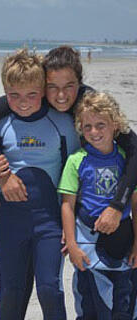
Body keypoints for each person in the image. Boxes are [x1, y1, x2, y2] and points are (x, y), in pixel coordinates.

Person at [0, 45, 137, 236]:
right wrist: (3, 174)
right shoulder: (33, 99)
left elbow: (134, 148)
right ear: (41, 87)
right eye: (52, 87)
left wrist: (116, 205)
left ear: (79, 84)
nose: (61, 96)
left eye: (69, 86)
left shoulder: (89, 103)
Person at [0, 48, 80, 319]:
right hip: (9, 224)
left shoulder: (61, 124)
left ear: (42, 90)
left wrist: (72, 225)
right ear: (5, 93)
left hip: (50, 224)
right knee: (11, 291)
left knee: (49, 288)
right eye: (14, 96)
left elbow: (75, 174)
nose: (23, 102)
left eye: (32, 95)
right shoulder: (0, 126)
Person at [58, 91, 137, 320]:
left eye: (100, 125)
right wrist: (72, 245)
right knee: (90, 306)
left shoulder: (127, 158)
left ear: (115, 124)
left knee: (124, 305)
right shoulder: (76, 160)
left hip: (123, 245)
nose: (94, 132)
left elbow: (134, 200)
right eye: (87, 126)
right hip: (88, 247)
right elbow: (67, 205)